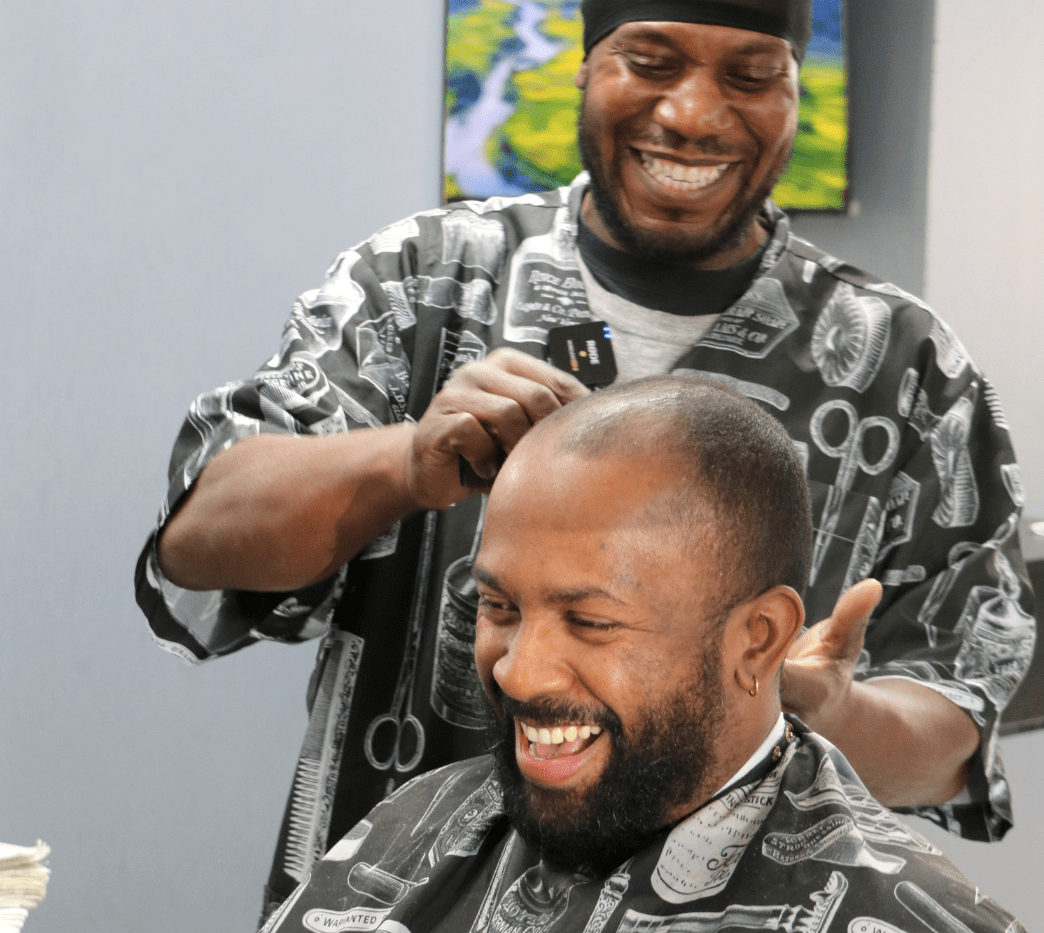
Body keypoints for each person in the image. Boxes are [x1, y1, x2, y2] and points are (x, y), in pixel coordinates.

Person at [134, 0, 1034, 915]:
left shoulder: (901, 370)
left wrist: (832, 713)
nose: (692, 114)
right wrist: (398, 462)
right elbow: (198, 546)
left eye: (749, 75)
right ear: (584, 63)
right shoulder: (423, 287)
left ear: (795, 89)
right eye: (649, 62)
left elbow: (955, 726)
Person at [260, 378, 1024, 933]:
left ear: (756, 638)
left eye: (589, 622)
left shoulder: (909, 917)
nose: (517, 672)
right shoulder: (418, 825)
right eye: (498, 607)